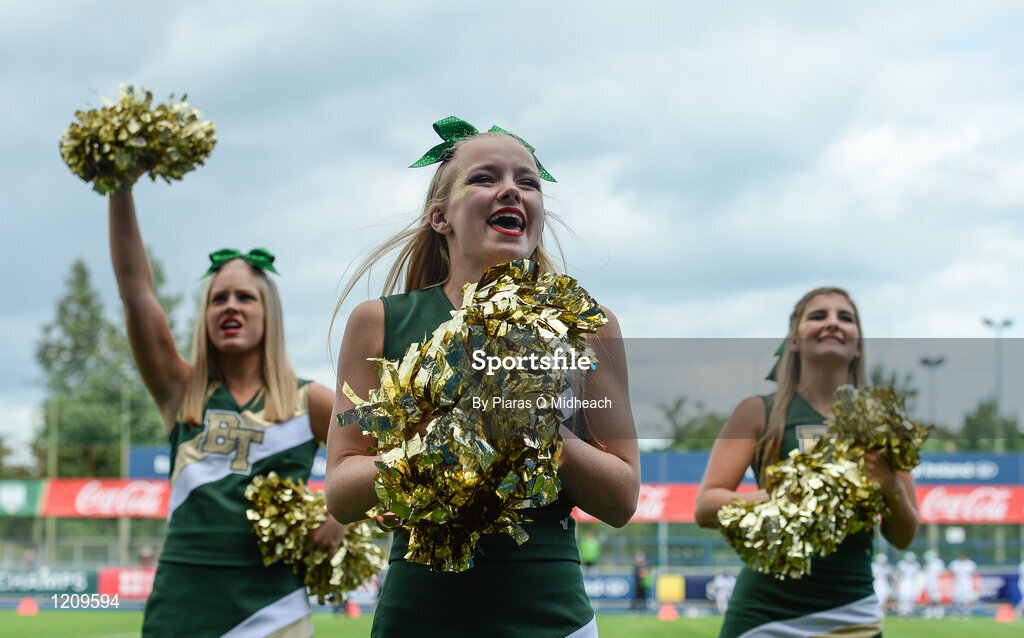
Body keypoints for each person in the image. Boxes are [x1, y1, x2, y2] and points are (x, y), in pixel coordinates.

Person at [325, 117, 641, 638]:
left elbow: (622, 499)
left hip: (552, 620)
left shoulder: (589, 325)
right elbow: (341, 490)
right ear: (440, 216)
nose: (510, 190)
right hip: (418, 619)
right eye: (484, 178)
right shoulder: (379, 322)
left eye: (528, 181)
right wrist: (439, 446)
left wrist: (532, 429)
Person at [108, 186, 343, 637]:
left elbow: (384, 457)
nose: (230, 305)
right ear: (206, 315)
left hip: (273, 609)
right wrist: (120, 188)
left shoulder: (310, 401)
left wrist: (340, 518)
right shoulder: (180, 390)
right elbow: (135, 292)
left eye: (245, 297)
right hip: (182, 603)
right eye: (218, 298)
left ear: (267, 312)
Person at [694, 287, 920, 638]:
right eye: (818, 316)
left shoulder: (881, 424)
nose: (832, 323)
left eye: (845, 318)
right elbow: (706, 507)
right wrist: (780, 498)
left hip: (853, 615)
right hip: (763, 615)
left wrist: (891, 487)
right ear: (795, 340)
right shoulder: (758, 411)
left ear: (857, 344)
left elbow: (904, 536)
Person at [896, 551, 920, 617]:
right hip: (903, 582)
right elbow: (898, 575)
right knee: (903, 598)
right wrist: (897, 584)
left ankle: (910, 612)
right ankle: (901, 612)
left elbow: (916, 576)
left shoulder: (916, 565)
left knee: (911, 598)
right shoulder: (901, 564)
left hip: (912, 583)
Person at [921, 549, 945, 618]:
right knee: (929, 597)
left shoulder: (938, 563)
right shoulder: (927, 563)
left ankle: (939, 611)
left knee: (936, 598)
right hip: (929, 583)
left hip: (936, 583)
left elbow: (940, 574)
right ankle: (930, 611)